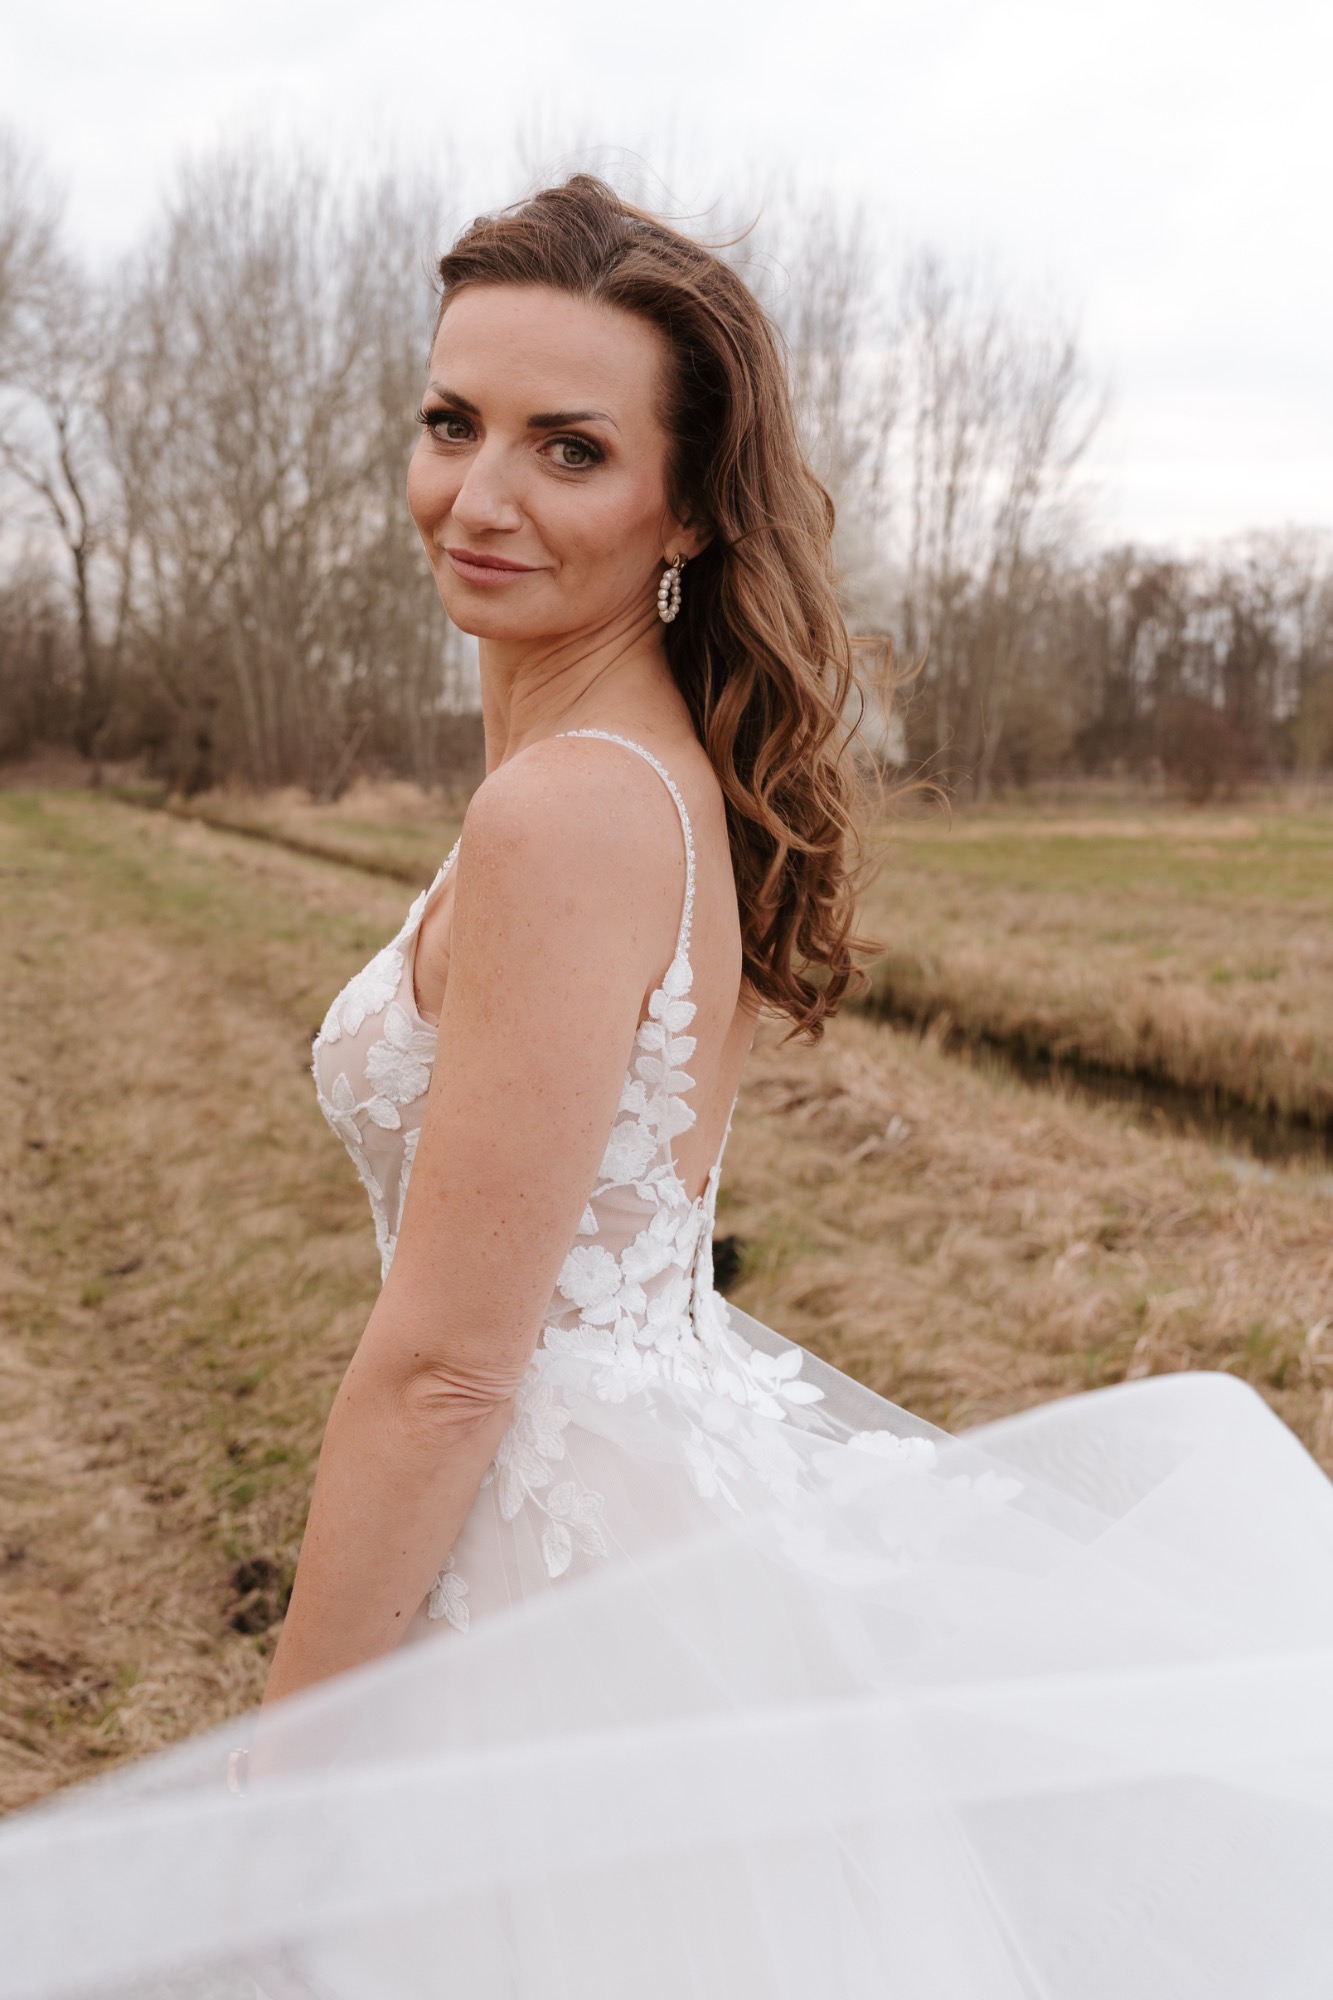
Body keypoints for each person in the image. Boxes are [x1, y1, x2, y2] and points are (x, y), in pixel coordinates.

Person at [3, 177, 1333, 2000]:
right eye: (451, 423)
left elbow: (448, 1365)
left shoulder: (567, 807)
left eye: (569, 448)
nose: (479, 497)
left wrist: (289, 1781)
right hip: (634, 1515)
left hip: (554, 1569)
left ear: (686, 505)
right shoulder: (631, 768)